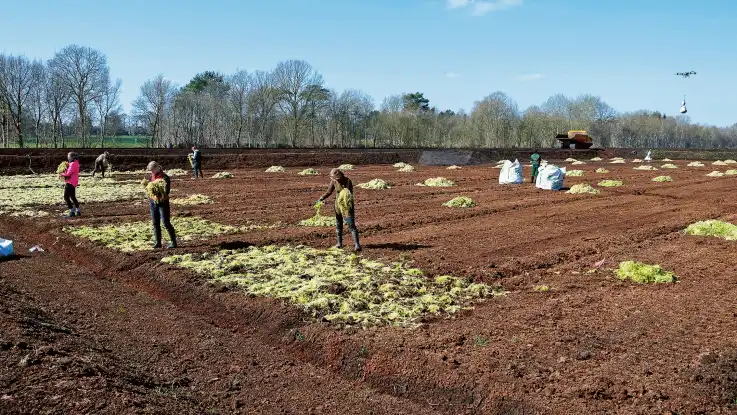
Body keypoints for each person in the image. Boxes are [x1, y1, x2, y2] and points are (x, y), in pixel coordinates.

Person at [316, 168, 361, 251]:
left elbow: (349, 193)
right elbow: (329, 192)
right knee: (338, 224)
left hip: (347, 206)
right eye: (334, 177)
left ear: (340, 175)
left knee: (351, 224)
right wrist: (321, 198)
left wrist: (344, 196)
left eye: (336, 177)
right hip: (338, 206)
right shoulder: (334, 182)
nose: (335, 179)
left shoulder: (348, 181)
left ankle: (357, 244)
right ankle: (339, 243)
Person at [146, 161, 178, 249]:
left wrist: (159, 194)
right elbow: (149, 190)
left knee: (165, 222)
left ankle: (173, 242)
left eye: (152, 170)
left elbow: (166, 192)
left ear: (157, 168)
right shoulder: (151, 178)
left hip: (163, 203)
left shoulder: (165, 178)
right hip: (153, 203)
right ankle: (158, 242)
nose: (151, 172)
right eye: (150, 171)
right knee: (155, 223)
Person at [60, 152, 81, 217]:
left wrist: (61, 173)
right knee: (72, 197)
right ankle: (78, 210)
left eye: (68, 157)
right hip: (74, 182)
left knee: (66, 197)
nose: (68, 158)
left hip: (70, 182)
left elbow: (68, 173)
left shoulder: (73, 164)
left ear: (72, 157)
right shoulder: (76, 163)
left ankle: (71, 211)